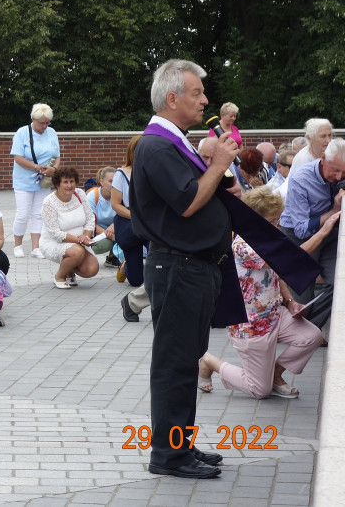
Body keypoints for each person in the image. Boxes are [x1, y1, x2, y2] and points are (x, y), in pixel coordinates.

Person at [131, 59, 240, 479]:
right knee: (176, 363)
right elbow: (189, 202)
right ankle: (169, 455)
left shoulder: (172, 143)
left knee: (185, 359)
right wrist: (216, 165)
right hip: (178, 267)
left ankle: (181, 443)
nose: (205, 100)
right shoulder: (155, 146)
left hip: (191, 267)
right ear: (172, 98)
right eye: (196, 93)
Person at [197, 188, 333, 399]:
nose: (276, 226)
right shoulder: (243, 245)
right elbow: (286, 260)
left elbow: (276, 273)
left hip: (275, 316)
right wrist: (323, 232)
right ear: (254, 221)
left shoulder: (267, 238)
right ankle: (209, 362)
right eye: (271, 221)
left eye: (277, 220)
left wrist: (290, 303)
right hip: (251, 326)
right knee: (259, 391)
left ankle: (276, 375)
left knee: (312, 336)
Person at [278, 137, 345, 328]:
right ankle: (297, 329)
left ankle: (309, 329)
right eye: (335, 170)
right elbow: (301, 229)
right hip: (298, 237)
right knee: (301, 298)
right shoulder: (301, 179)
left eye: (344, 172)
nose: (339, 177)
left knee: (340, 285)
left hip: (331, 235)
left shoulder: (339, 173)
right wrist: (333, 212)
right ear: (323, 158)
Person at [11, 103, 60, 259]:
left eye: (47, 123)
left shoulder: (51, 132)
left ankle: (35, 247)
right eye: (42, 123)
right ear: (33, 119)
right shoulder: (22, 133)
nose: (45, 126)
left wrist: (54, 169)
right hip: (24, 179)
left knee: (39, 214)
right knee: (23, 214)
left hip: (43, 180)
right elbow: (18, 158)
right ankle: (17, 245)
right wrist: (37, 168)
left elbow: (57, 156)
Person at [39, 167, 100, 289]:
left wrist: (86, 236)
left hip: (80, 242)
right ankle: (60, 276)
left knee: (92, 269)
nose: (69, 185)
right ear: (57, 184)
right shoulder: (48, 202)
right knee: (77, 252)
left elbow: (90, 219)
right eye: (65, 182)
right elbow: (55, 233)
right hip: (53, 243)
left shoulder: (80, 194)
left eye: (72, 181)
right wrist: (80, 240)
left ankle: (70, 271)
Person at [113, 137, 150, 322]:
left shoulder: (153, 171)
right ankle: (125, 265)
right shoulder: (121, 174)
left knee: (156, 265)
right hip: (130, 225)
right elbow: (115, 205)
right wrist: (137, 217)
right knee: (135, 280)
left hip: (150, 226)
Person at [84, 167, 119, 266]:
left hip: (113, 228)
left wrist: (113, 226)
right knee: (105, 244)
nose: (114, 184)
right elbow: (90, 223)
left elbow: (122, 216)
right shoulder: (92, 196)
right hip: (95, 230)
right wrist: (108, 235)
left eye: (116, 181)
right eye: (110, 181)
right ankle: (83, 254)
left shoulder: (119, 194)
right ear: (101, 182)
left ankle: (112, 258)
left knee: (126, 234)